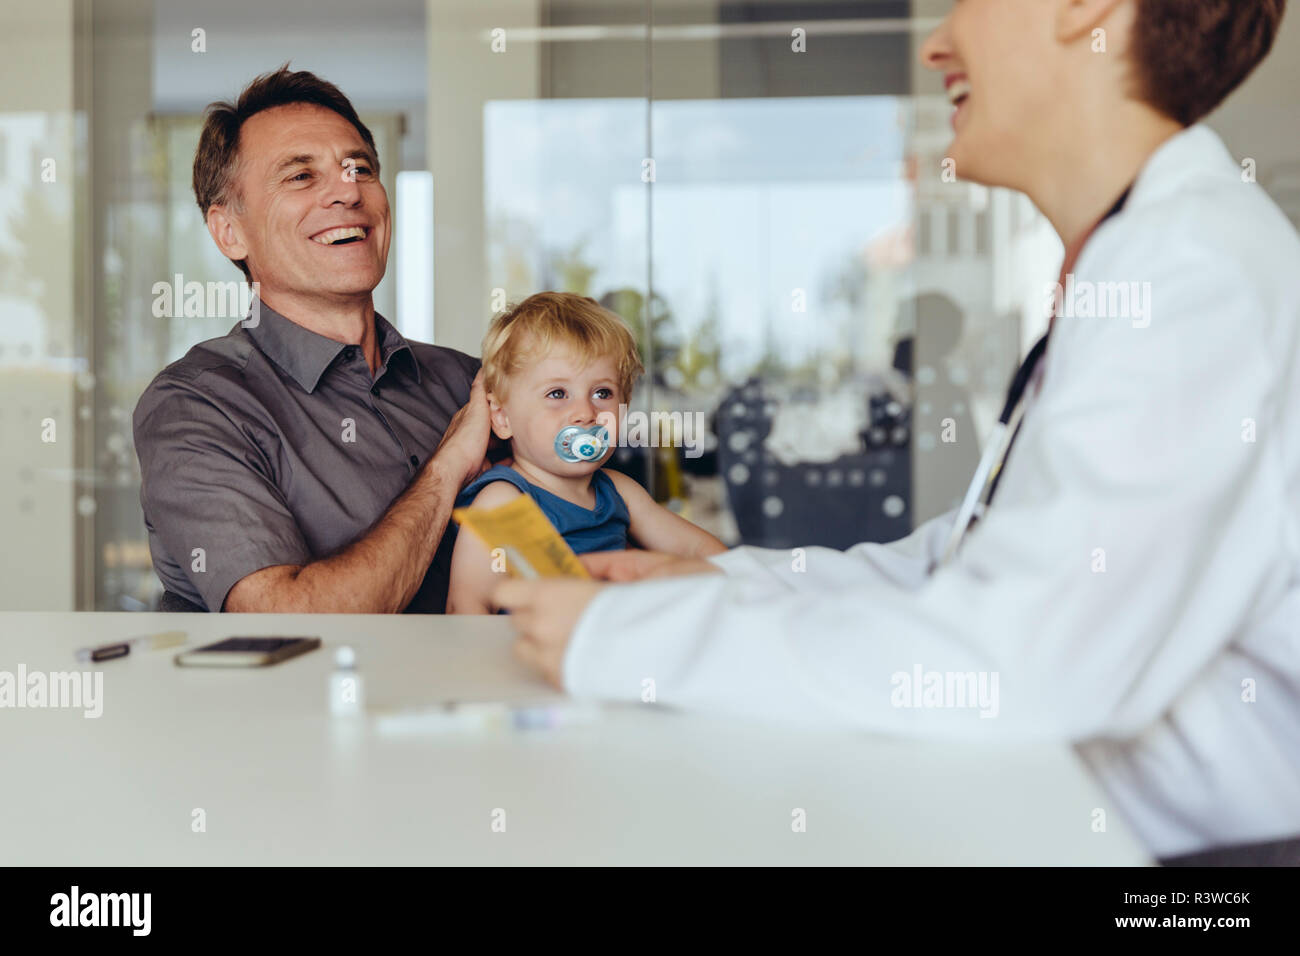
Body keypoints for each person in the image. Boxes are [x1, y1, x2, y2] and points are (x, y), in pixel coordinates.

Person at [493, 0, 1300, 861]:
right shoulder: (1148, 256)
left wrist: (622, 641)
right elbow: (956, 568)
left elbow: (1009, 660)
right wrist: (711, 579)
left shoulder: (1192, 278)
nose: (936, 44)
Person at [133, 67, 497, 613]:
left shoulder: (472, 381)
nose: (348, 190)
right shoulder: (197, 407)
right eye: (301, 176)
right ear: (229, 231)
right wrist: (448, 469)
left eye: (361, 168)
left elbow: (589, 544)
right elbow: (289, 620)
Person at [447, 293, 725, 613]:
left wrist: (743, 581)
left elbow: (695, 548)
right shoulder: (503, 500)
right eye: (557, 393)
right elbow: (466, 608)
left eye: (602, 393)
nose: (585, 412)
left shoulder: (618, 489)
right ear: (502, 417)